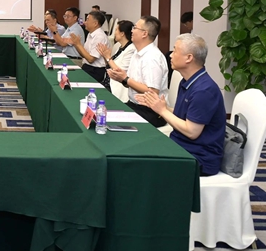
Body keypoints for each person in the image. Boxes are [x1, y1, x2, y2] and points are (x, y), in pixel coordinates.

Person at [136, 34, 226, 176]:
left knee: (139, 161)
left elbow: (192, 132)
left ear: (189, 58)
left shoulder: (204, 90)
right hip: (182, 147)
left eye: (175, 50)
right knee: (138, 147)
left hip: (199, 158)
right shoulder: (188, 81)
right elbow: (185, 116)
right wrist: (159, 107)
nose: (171, 55)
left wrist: (163, 111)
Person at [107, 16, 169, 126]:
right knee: (104, 111)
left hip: (150, 111)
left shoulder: (152, 57)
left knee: (108, 120)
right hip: (134, 105)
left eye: (135, 28)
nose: (131, 31)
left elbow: (152, 92)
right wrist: (122, 79)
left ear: (144, 34)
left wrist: (126, 79)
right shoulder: (137, 53)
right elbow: (132, 83)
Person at [96, 20, 136, 99]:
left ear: (122, 33)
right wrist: (105, 56)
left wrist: (108, 58)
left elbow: (119, 72)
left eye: (116, 30)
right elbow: (110, 66)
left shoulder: (131, 49)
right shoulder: (119, 47)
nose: (114, 33)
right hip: (107, 83)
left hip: (116, 88)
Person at [69, 10, 109, 83]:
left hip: (95, 71)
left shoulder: (100, 36)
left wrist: (78, 44)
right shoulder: (90, 34)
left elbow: (90, 59)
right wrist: (76, 44)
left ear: (95, 23)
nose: (84, 22)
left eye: (87, 20)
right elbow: (83, 55)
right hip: (87, 67)